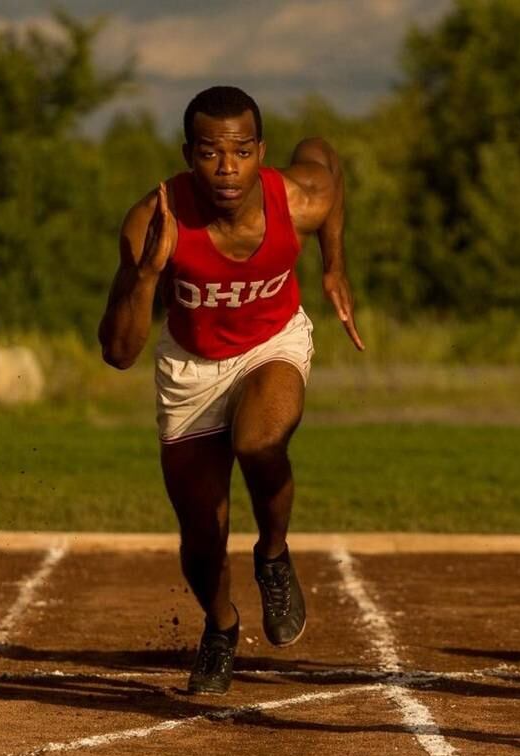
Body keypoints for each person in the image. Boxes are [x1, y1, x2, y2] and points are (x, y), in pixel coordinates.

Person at [98, 86, 363, 695]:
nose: (227, 168)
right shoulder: (151, 221)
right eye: (211, 153)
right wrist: (147, 275)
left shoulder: (298, 199)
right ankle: (220, 626)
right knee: (201, 530)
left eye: (241, 152)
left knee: (260, 442)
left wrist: (334, 262)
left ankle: (272, 554)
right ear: (189, 154)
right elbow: (117, 353)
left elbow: (324, 154)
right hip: (190, 367)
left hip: (273, 343)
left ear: (260, 152)